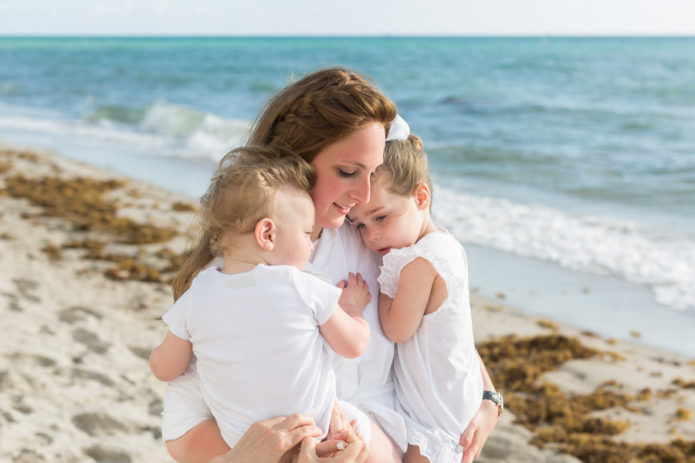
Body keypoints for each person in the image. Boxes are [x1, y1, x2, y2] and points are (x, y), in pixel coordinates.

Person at [161, 68, 499, 463]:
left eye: (372, 173)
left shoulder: (372, 235)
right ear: (298, 157)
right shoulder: (240, 273)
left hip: (398, 440)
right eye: (348, 172)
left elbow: (441, 317)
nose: (365, 194)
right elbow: (182, 427)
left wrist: (487, 395)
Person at [149, 149, 373, 450]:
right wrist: (353, 310)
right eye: (307, 234)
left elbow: (166, 370)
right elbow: (354, 346)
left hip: (244, 444)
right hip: (312, 436)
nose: (310, 245)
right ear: (267, 234)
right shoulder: (300, 285)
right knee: (361, 424)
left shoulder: (197, 294)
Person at [347, 135, 501, 462]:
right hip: (453, 395)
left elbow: (397, 329)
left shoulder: (417, 264)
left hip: (438, 415)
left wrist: (372, 297)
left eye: (381, 217)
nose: (371, 235)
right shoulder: (445, 243)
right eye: (359, 225)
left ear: (421, 197)